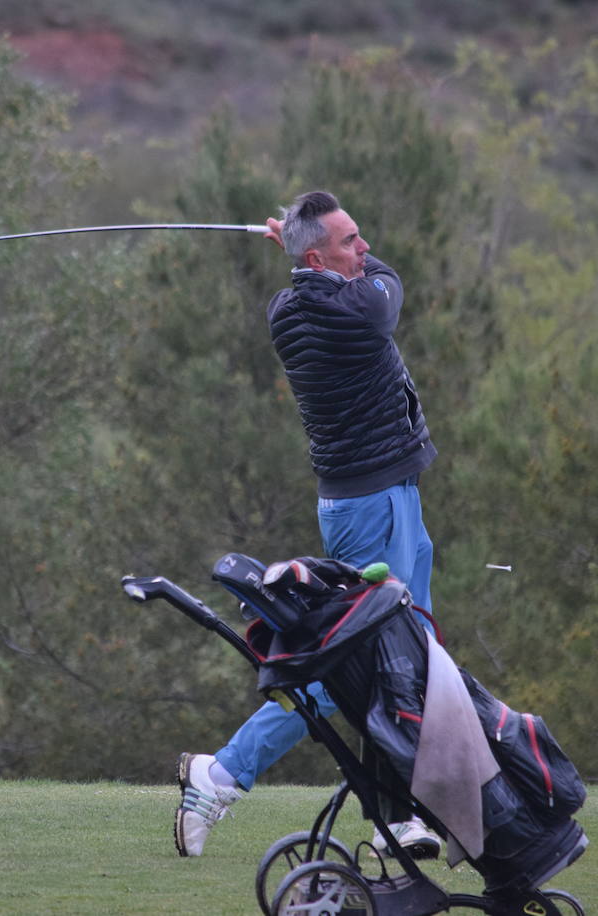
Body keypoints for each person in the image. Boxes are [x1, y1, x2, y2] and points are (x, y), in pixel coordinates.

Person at [176, 190, 442, 858]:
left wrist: (306, 252)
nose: (366, 247)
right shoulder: (349, 306)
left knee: (412, 661)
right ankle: (224, 773)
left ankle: (402, 815)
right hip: (368, 508)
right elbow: (386, 288)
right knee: (346, 671)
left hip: (390, 497)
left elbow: (327, 276)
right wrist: (309, 252)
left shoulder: (292, 302)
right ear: (322, 257)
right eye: (351, 240)